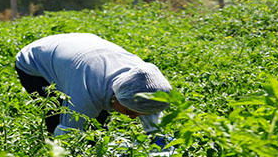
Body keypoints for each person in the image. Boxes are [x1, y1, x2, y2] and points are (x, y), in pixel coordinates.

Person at [14, 33, 171, 137]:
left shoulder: (143, 82)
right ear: (115, 96)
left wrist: (158, 139)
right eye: (128, 111)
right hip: (35, 62)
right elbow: (67, 134)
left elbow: (149, 113)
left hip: (82, 48)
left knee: (97, 122)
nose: (131, 117)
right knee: (56, 114)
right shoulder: (86, 91)